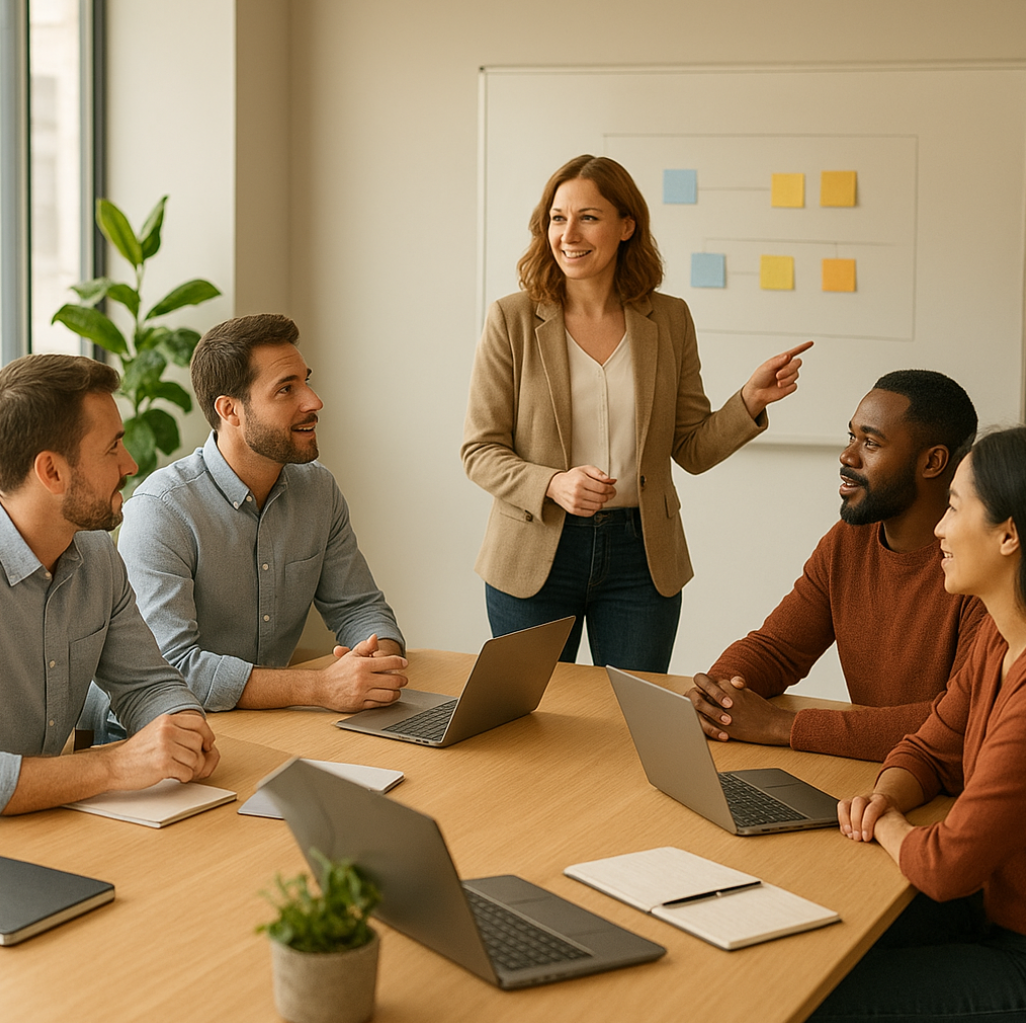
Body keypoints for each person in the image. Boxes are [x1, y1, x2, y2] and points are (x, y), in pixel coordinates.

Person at [461, 154, 811, 673]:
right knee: (530, 722)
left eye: (589, 217)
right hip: (535, 550)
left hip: (641, 557)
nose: (569, 233)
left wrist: (749, 402)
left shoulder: (669, 319)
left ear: (626, 226)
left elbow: (690, 449)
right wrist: (554, 483)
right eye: (558, 217)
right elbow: (479, 451)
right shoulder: (511, 318)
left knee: (628, 723)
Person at [809, 425, 1026, 1022]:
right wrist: (884, 797)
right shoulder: (997, 644)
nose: (938, 528)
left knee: (817, 1000)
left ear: (1009, 534)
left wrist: (886, 826)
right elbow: (929, 748)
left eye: (955, 507)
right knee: (808, 943)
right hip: (986, 904)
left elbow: (944, 865)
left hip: (1017, 946)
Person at [687, 370, 985, 761]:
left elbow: (961, 722)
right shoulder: (848, 541)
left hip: (945, 791)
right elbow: (778, 649)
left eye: (871, 443)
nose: (847, 456)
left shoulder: (983, 565)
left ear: (932, 462)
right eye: (851, 436)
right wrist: (717, 696)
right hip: (873, 773)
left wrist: (782, 726)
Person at [116, 313, 408, 713]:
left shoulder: (319, 490)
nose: (314, 401)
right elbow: (173, 669)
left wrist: (376, 663)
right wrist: (319, 687)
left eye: (306, 380)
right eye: (286, 389)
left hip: (273, 722)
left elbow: (360, 608)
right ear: (230, 410)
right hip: (174, 732)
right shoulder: (161, 511)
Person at [0, 354, 218, 815]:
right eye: (112, 447)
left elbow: (147, 683)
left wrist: (180, 726)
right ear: (52, 472)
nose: (131, 463)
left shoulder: (97, 554)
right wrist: (115, 767)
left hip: (45, 826)